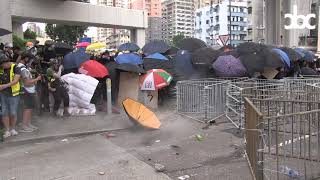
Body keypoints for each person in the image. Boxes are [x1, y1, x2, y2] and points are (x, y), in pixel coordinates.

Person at [18, 52, 42, 132]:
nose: (31, 62)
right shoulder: (23, 69)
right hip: (27, 91)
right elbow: (27, 83)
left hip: (27, 91)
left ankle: (28, 123)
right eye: (31, 60)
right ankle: (24, 126)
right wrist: (37, 79)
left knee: (29, 108)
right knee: (27, 109)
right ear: (26, 59)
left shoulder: (21, 67)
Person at [0, 53, 21, 138]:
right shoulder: (1, 69)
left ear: (6, 62)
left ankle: (12, 128)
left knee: (13, 112)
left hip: (14, 94)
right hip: (3, 94)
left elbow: (15, 81)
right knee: (4, 112)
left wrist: (3, 86)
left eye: (2, 65)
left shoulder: (16, 67)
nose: (1, 66)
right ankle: (7, 130)